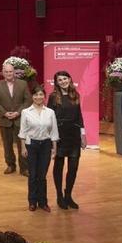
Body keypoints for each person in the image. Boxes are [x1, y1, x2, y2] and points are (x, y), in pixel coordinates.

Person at [47, 71, 86, 210]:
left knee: (73, 168)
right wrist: (52, 139)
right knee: (59, 167)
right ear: (56, 82)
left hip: (74, 135)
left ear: (70, 79)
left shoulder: (75, 95)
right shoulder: (53, 97)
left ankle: (68, 195)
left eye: (65, 78)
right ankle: (59, 196)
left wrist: (83, 135)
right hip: (59, 135)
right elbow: (49, 118)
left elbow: (79, 115)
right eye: (60, 80)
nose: (63, 81)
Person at [19, 86, 59, 213]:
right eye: (36, 95)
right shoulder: (26, 112)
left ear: (44, 96)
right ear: (32, 97)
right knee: (33, 175)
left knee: (42, 176)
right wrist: (23, 148)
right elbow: (23, 132)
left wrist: (54, 149)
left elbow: (54, 131)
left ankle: (43, 202)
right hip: (31, 145)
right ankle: (32, 202)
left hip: (46, 146)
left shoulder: (50, 112)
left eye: (41, 94)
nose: (38, 97)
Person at [0, 62, 32, 176]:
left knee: (22, 145)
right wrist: (5, 113)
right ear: (3, 73)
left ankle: (24, 168)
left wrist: (18, 112)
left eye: (10, 71)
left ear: (14, 72)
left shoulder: (23, 84)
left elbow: (28, 101)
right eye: (6, 72)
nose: (9, 74)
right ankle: (10, 165)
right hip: (4, 120)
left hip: (20, 119)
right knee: (7, 145)